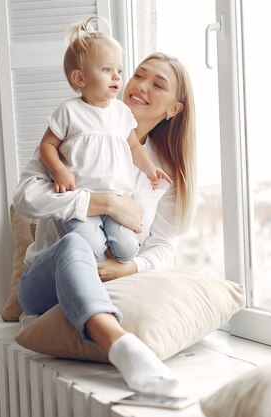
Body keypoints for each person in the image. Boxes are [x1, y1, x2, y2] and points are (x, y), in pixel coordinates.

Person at [13, 45, 196, 395]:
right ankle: (123, 347)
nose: (140, 85)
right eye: (138, 75)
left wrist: (130, 268)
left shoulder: (163, 171)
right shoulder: (74, 130)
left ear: (174, 109)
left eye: (158, 85)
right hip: (45, 286)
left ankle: (121, 343)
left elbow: (164, 246)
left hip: (109, 283)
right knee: (73, 245)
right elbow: (24, 198)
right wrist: (103, 203)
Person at [39, 17, 172, 264]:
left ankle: (114, 258)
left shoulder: (121, 113)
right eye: (107, 70)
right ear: (80, 79)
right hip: (83, 200)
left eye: (119, 71)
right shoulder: (69, 111)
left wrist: (150, 169)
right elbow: (46, 146)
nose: (116, 77)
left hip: (118, 197)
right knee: (91, 247)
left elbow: (133, 146)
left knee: (126, 248)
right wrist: (59, 171)